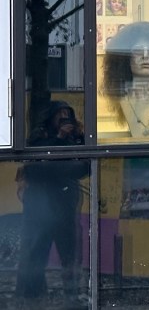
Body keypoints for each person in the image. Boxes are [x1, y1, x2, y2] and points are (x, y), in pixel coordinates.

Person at [15, 101, 89, 304]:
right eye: (60, 114)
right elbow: (35, 168)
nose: (64, 118)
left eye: (67, 114)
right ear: (51, 117)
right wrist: (59, 139)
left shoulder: (76, 138)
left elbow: (84, 168)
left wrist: (70, 142)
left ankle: (72, 297)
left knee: (70, 255)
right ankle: (32, 297)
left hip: (66, 206)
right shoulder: (40, 137)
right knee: (36, 253)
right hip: (40, 207)